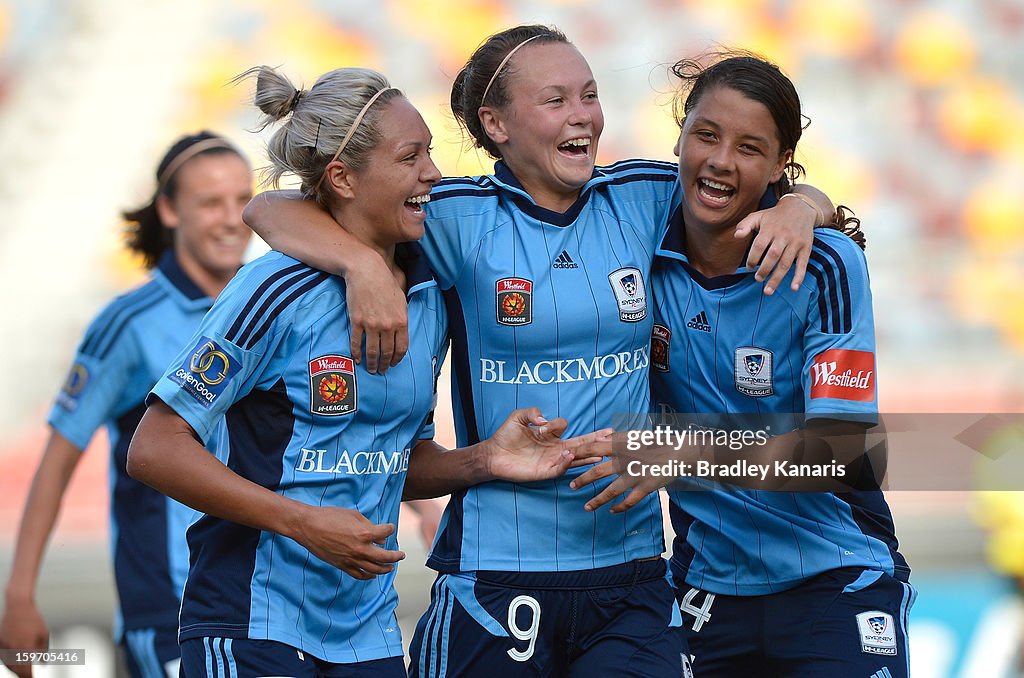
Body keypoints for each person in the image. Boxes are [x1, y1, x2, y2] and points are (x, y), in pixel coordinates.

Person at [242, 25, 833, 676]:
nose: (583, 116)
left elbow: (748, 176)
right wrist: (361, 264)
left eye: (590, 95)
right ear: (494, 123)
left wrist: (803, 205)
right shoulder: (452, 213)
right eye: (556, 101)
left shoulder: (642, 195)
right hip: (497, 574)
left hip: (630, 573)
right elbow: (272, 209)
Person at [125, 65, 603, 678]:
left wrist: (483, 460)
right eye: (410, 157)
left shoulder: (428, 293)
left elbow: (389, 462)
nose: (433, 173)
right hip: (252, 624)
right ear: (344, 178)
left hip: (367, 636)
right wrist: (302, 522)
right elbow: (154, 448)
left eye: (430, 152)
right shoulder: (273, 289)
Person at [573, 53, 914, 677]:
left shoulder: (827, 266)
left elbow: (842, 449)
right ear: (680, 134)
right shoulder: (636, 229)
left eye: (750, 147)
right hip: (706, 590)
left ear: (781, 163)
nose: (721, 161)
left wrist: (677, 451)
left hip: (834, 577)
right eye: (706, 135)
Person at [0, 132, 253, 678]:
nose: (233, 218)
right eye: (211, 202)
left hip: (263, 604)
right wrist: (19, 597)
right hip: (172, 611)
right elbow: (55, 464)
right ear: (168, 209)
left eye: (243, 199)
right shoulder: (129, 324)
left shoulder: (268, 306)